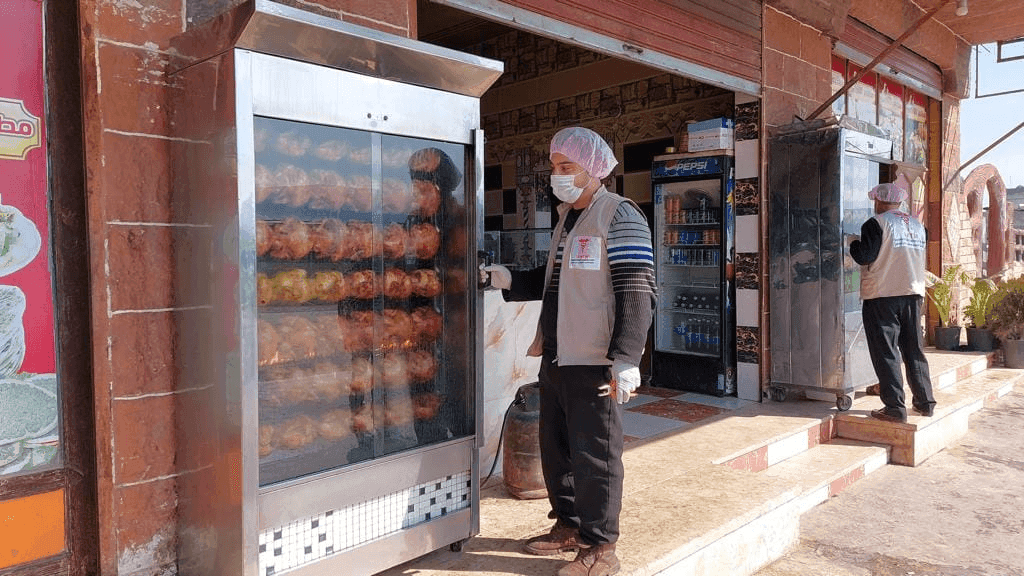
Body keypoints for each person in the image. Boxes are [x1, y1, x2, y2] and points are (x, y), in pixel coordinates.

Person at [481, 127, 655, 576]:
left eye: (566, 167)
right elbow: (551, 277)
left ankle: (601, 549)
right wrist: (507, 278)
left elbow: (636, 288)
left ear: (593, 169)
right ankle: (569, 527)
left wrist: (627, 358)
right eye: (554, 167)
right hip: (558, 356)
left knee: (595, 455)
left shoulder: (619, 216)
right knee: (557, 449)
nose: (557, 175)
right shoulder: (568, 219)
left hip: (596, 360)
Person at [849, 183, 937, 423]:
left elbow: (864, 256)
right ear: (899, 202)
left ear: (877, 201)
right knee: (913, 349)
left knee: (886, 352)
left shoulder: (875, 224)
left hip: (882, 295)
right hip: (913, 293)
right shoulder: (919, 227)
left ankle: (894, 408)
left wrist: (852, 244)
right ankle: (925, 402)